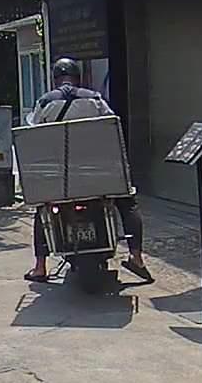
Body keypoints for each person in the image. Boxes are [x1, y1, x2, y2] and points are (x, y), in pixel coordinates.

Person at [25, 57, 150, 283]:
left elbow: (35, 132)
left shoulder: (45, 102)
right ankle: (136, 257)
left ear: (55, 79)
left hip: (60, 177)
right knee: (127, 202)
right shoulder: (95, 99)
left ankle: (40, 267)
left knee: (43, 209)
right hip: (97, 174)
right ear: (78, 78)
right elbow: (111, 125)